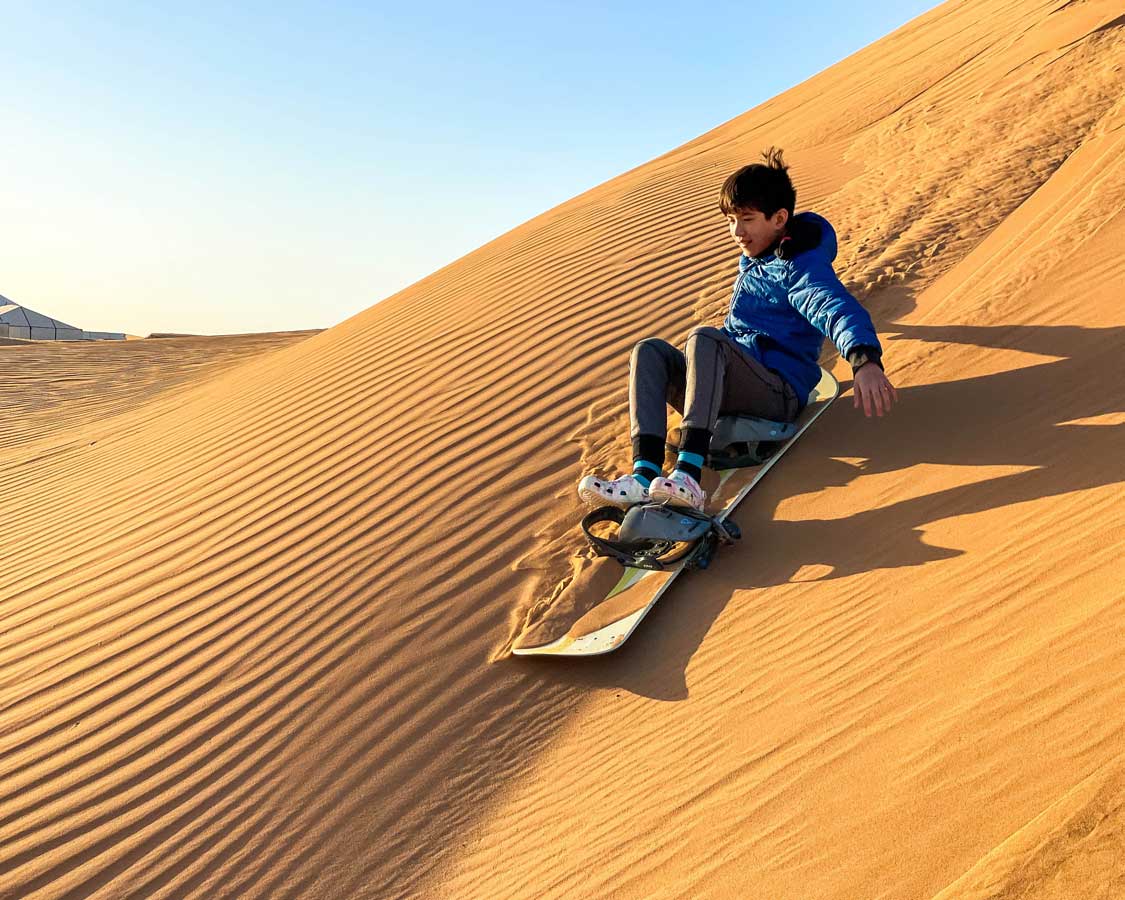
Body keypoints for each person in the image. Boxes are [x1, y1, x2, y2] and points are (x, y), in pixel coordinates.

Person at [578, 147, 897, 512]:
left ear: (779, 219)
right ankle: (642, 475)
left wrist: (865, 361)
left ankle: (688, 478)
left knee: (703, 337)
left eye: (747, 219)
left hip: (777, 392)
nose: (737, 232)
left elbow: (833, 306)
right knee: (649, 351)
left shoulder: (798, 267)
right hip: (735, 383)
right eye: (731, 220)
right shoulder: (758, 256)